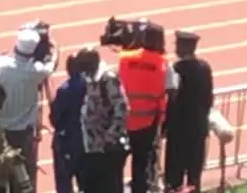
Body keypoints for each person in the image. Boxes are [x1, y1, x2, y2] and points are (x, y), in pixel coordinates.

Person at [0, 28, 58, 193]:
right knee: (25, 175)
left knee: (2, 173)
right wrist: (55, 48)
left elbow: (3, 56)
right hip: (23, 132)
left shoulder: (0, 65)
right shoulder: (36, 71)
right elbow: (52, 65)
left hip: (0, 128)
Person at [117, 24, 174, 193]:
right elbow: (171, 91)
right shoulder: (163, 64)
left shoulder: (125, 58)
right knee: (140, 163)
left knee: (117, 161)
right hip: (147, 122)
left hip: (123, 119)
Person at [164, 31, 218, 193]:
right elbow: (208, 97)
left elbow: (171, 98)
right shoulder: (204, 68)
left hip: (178, 129)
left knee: (174, 175)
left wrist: (165, 125)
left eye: (178, 45)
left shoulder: (175, 69)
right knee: (194, 175)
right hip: (198, 127)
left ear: (184, 47)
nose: (175, 48)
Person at [77, 47, 129, 193]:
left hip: (108, 149)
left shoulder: (107, 79)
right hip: (94, 146)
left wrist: (110, 137)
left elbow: (122, 109)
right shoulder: (91, 78)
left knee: (109, 187)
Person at [49, 54, 88, 193]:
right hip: (85, 140)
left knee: (64, 182)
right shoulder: (89, 86)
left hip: (67, 141)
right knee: (86, 182)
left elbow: (55, 117)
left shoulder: (64, 90)